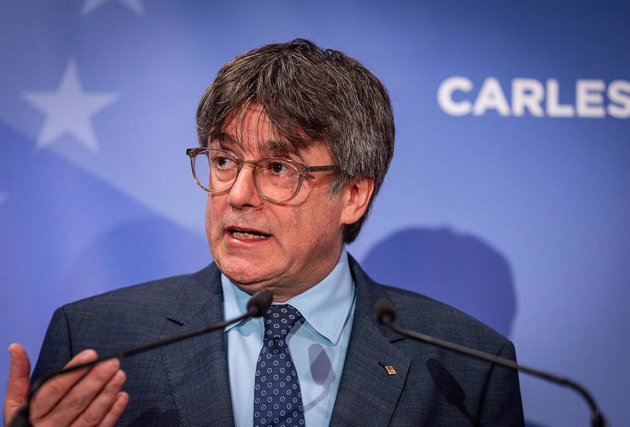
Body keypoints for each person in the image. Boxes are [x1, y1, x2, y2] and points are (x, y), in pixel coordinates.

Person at [4, 39, 524, 426]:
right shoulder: (100, 339)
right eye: (225, 159)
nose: (236, 194)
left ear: (353, 195)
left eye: (278, 167)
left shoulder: (464, 364)